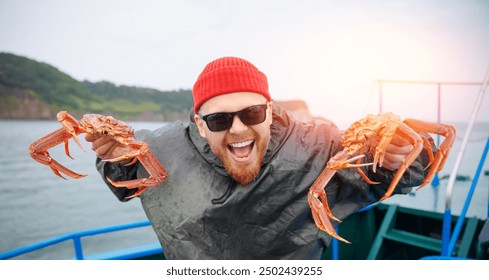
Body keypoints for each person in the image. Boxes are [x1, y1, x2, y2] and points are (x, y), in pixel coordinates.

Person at [86, 56, 432, 259]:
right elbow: (124, 176)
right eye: (219, 119)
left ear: (269, 110)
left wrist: (399, 157)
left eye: (251, 113)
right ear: (200, 125)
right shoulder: (162, 147)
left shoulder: (318, 144)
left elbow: (394, 173)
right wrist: (114, 158)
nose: (237, 129)